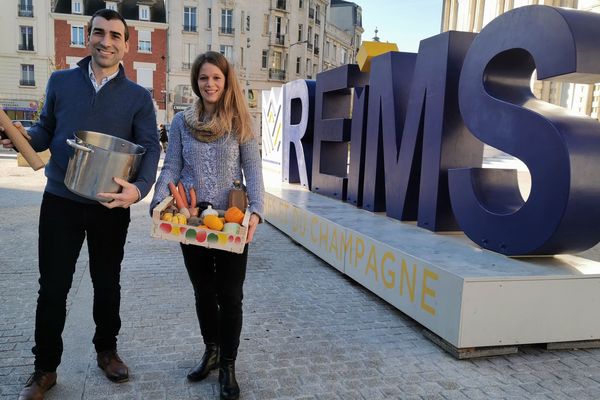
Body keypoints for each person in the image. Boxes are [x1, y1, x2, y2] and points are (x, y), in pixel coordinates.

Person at [0, 9, 160, 400]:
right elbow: (46, 130)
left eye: (115, 36)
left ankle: (107, 351)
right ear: (88, 36)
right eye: (98, 33)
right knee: (52, 286)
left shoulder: (139, 97)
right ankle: (45, 369)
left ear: (126, 44)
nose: (106, 41)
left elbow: (151, 148)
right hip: (61, 199)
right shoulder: (60, 81)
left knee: (107, 284)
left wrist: (137, 191)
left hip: (111, 203)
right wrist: (23, 136)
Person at [150, 51, 264, 400]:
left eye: (216, 77)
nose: (210, 84)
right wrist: (158, 199)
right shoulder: (183, 122)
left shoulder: (239, 119)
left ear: (226, 81)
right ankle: (211, 350)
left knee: (230, 296)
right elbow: (171, 166)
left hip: (230, 219)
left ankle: (228, 366)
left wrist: (256, 210)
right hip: (192, 217)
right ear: (196, 82)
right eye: (204, 78)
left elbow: (253, 168)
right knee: (203, 291)